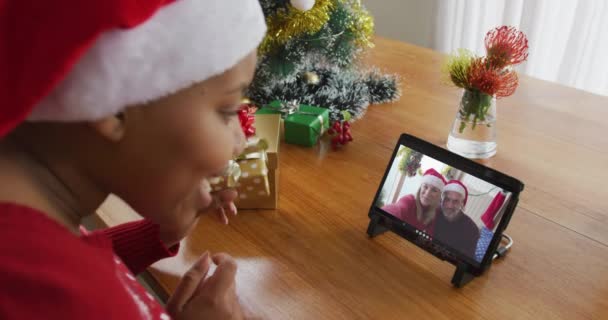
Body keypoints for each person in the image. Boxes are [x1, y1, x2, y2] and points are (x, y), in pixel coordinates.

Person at [0, 1, 266, 319]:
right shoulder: (74, 299)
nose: (240, 140)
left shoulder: (30, 246)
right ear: (111, 105)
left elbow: (71, 256)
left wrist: (157, 236)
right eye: (226, 111)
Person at [382, 168, 446, 235]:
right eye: (425, 187)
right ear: (420, 188)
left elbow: (432, 235)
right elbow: (397, 208)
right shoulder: (409, 200)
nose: (427, 193)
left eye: (434, 190)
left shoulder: (436, 211)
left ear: (439, 195)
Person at [434, 180, 480, 259]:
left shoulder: (472, 230)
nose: (450, 206)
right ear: (441, 200)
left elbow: (465, 259)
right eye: (447, 199)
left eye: (456, 201)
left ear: (462, 204)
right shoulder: (433, 214)